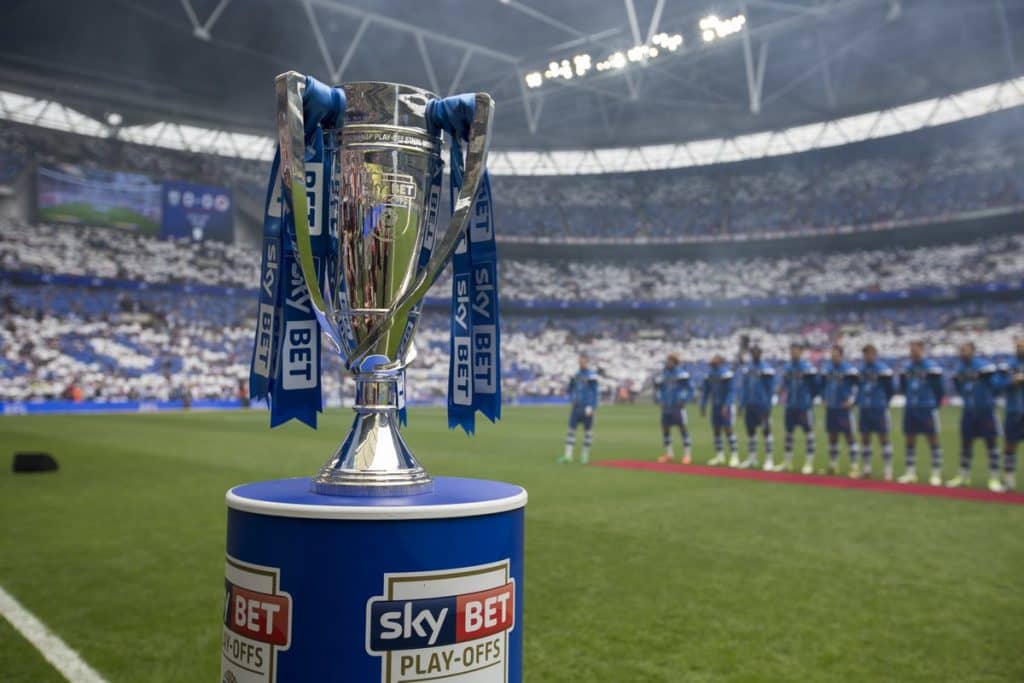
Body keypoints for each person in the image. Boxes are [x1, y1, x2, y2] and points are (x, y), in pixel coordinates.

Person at [948, 342, 1003, 491]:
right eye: (961, 350)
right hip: (968, 411)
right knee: (966, 444)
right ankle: (963, 476)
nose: (962, 353)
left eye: (965, 350)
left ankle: (994, 478)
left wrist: (988, 398)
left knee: (991, 445)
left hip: (985, 411)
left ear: (972, 351)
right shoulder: (960, 368)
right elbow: (959, 387)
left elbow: (996, 385)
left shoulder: (984, 366)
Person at [897, 340, 944, 486]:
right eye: (911, 350)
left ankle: (936, 473)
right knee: (910, 440)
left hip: (926, 408)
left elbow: (939, 389)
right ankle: (910, 472)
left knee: (932, 440)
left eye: (915, 350)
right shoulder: (906, 368)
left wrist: (934, 404)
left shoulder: (931, 368)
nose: (913, 353)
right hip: (911, 408)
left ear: (922, 350)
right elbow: (903, 387)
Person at [778, 342, 819, 473]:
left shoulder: (808, 368)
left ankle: (809, 463)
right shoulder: (787, 367)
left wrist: (809, 398)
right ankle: (787, 462)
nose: (793, 353)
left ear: (801, 352)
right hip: (790, 405)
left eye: (795, 351)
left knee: (809, 434)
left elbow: (816, 386)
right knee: (788, 434)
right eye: (791, 351)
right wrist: (781, 390)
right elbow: (784, 384)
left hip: (804, 406)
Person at [856, 344, 895, 480]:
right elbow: (859, 388)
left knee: (883, 438)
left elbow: (891, 389)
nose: (867, 356)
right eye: (865, 354)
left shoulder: (883, 370)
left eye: (870, 353)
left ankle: (888, 469)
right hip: (864, 409)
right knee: (865, 438)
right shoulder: (861, 370)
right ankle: (866, 469)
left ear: (875, 354)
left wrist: (884, 401)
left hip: (879, 408)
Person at [821, 344, 860, 476]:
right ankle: (833, 465)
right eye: (832, 354)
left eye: (836, 355)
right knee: (832, 437)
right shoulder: (827, 369)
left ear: (841, 355)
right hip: (831, 408)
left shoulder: (849, 370)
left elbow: (858, 386)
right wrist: (824, 398)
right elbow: (823, 386)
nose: (833, 357)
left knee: (849, 437)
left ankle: (854, 466)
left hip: (843, 409)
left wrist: (852, 400)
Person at [738, 345, 775, 470]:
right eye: (753, 352)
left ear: (760, 353)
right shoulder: (748, 369)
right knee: (751, 432)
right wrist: (742, 404)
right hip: (750, 404)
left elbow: (770, 389)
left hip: (762, 405)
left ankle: (769, 459)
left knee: (766, 431)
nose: (755, 354)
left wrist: (768, 405)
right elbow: (745, 388)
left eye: (757, 352)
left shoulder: (766, 369)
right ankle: (752, 458)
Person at [558, 355, 599, 465]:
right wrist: (571, 398)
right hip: (577, 407)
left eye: (583, 361)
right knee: (571, 431)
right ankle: (568, 456)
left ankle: (584, 456)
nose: (581, 363)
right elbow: (570, 388)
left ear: (587, 362)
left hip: (587, 407)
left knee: (588, 432)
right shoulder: (576, 375)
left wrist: (593, 406)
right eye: (580, 361)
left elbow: (595, 392)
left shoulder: (592, 375)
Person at [701, 354, 739, 466]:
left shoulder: (726, 374)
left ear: (720, 361)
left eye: (715, 358)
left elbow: (731, 391)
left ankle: (734, 455)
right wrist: (703, 405)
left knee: (728, 429)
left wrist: (727, 404)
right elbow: (706, 391)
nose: (712, 360)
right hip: (715, 406)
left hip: (726, 406)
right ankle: (719, 455)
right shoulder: (710, 374)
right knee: (716, 430)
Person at [655, 354, 693, 464]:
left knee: (683, 429)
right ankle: (669, 454)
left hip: (678, 407)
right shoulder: (663, 374)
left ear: (675, 362)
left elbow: (689, 388)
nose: (668, 363)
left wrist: (683, 399)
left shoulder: (682, 374)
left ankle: (687, 455)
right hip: (666, 407)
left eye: (670, 361)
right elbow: (659, 389)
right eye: (667, 361)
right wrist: (660, 399)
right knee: (665, 429)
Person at [998, 338, 1024, 491]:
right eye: (1018, 346)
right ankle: (1008, 480)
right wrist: (1012, 381)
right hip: (1013, 411)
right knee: (1009, 445)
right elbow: (997, 384)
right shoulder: (1008, 365)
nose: (1021, 349)